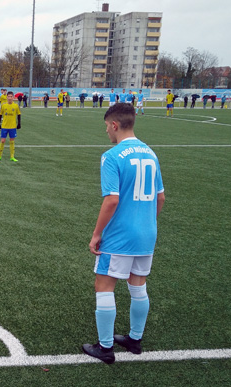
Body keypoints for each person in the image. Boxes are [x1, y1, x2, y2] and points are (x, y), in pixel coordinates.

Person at [82, 102, 165, 364]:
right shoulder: (151, 154)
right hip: (146, 233)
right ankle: (134, 339)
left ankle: (105, 348)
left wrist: (97, 234)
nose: (107, 131)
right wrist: (145, 223)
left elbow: (112, 200)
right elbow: (160, 198)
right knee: (138, 285)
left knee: (104, 285)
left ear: (115, 125)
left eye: (107, 126)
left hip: (120, 235)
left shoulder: (112, 155)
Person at [0, 91, 21, 162]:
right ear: (7, 97)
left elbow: (19, 114)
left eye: (11, 97)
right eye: (8, 96)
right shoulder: (3, 105)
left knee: (12, 141)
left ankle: (12, 156)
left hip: (12, 126)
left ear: (13, 97)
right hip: (4, 126)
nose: (9, 98)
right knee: (3, 141)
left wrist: (19, 123)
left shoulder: (16, 106)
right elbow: (0, 115)